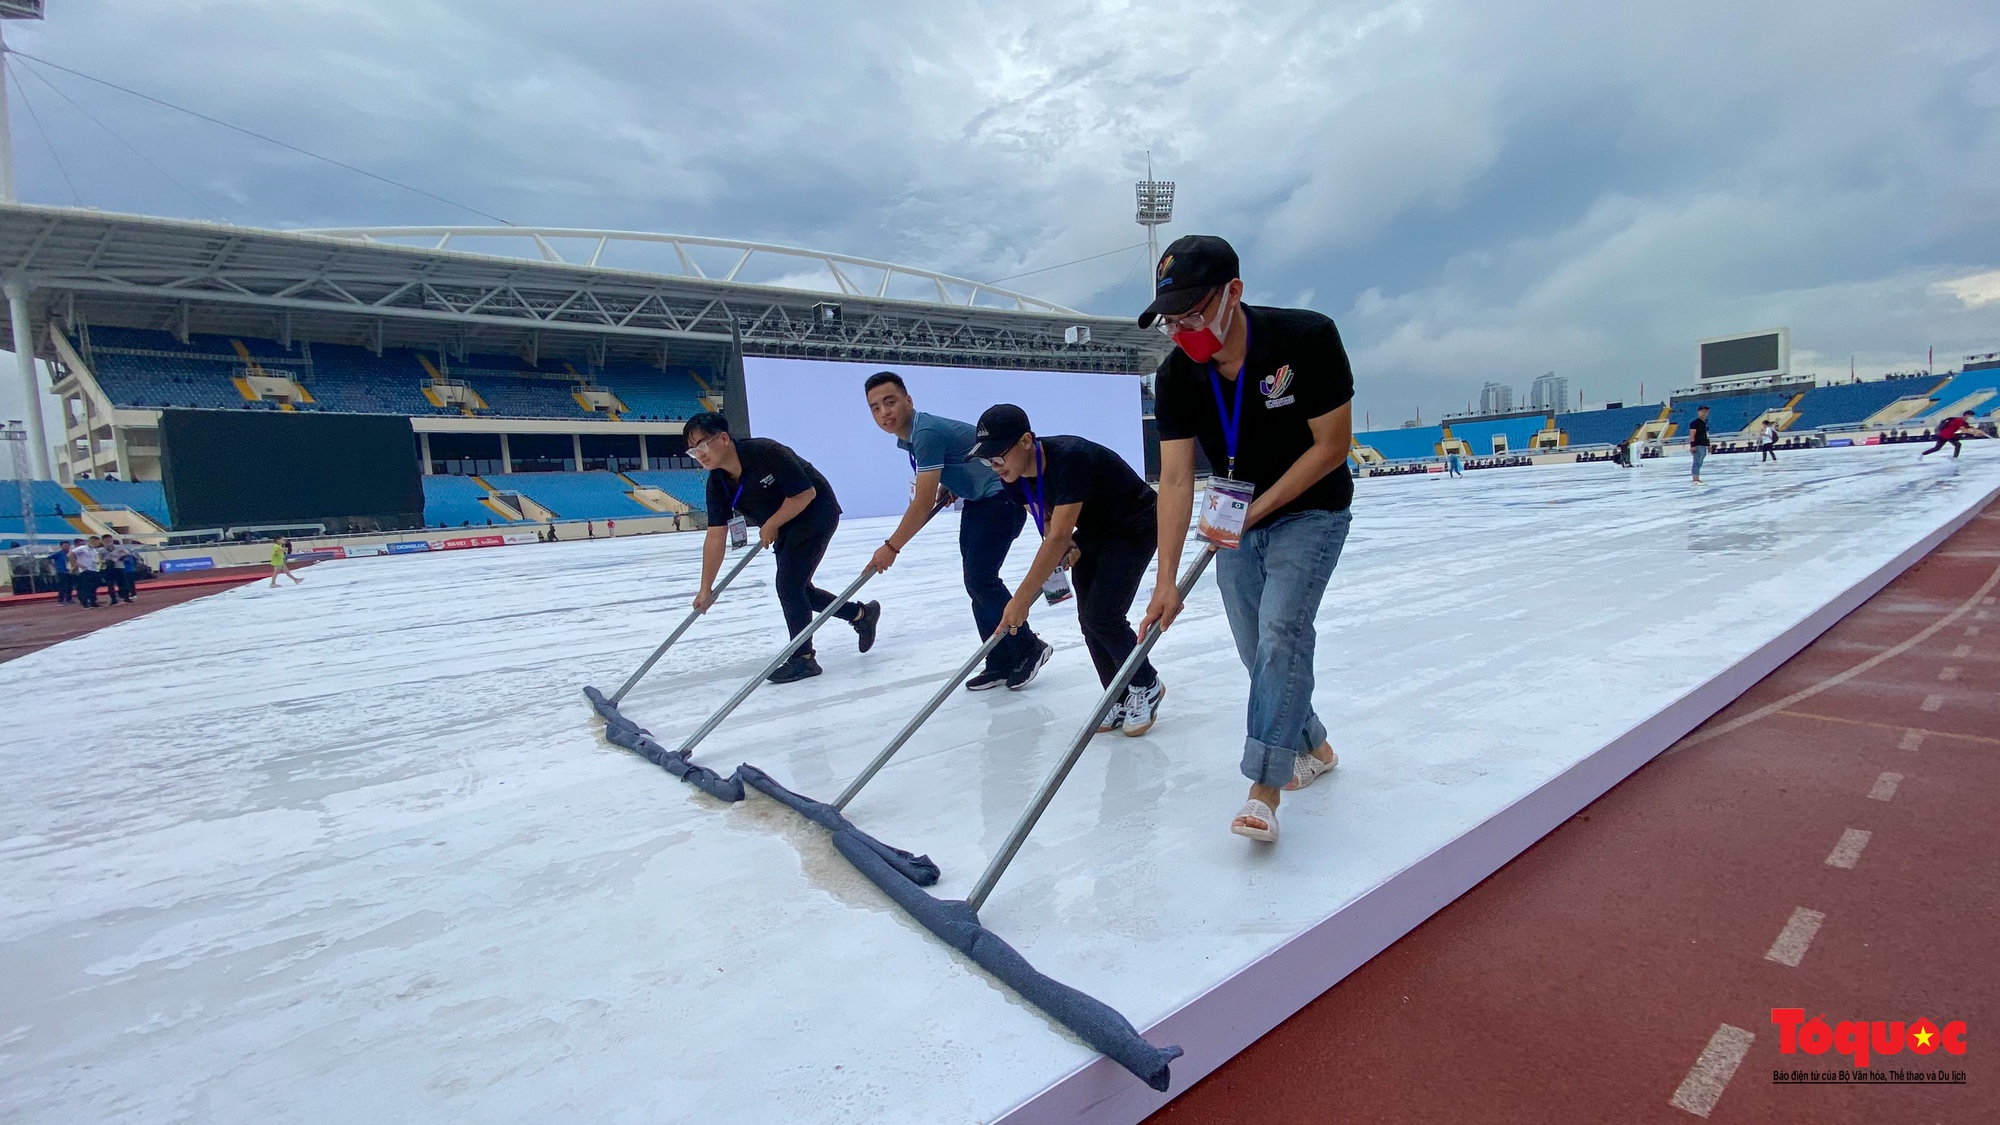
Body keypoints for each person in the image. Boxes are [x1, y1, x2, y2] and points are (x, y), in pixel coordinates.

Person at [1135, 234, 1355, 844]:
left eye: (1193, 314)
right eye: (1170, 321)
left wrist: (1259, 508)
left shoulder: (1305, 338)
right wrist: (1166, 582)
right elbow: (1176, 479)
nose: (1182, 331)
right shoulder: (1177, 374)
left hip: (1310, 511)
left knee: (1284, 632)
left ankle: (1264, 790)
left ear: (1233, 293)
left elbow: (1332, 447)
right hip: (1236, 521)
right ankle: (1315, 745)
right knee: (1257, 649)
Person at [971, 403, 1166, 733]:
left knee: (1103, 616)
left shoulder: (1070, 457)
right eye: (986, 460)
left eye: (998, 456)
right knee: (1087, 621)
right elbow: (1049, 520)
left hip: (1135, 523)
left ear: (1026, 441)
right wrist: (1063, 541)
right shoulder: (1012, 479)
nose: (994, 466)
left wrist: (1019, 600)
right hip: (1092, 529)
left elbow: (1060, 534)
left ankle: (1146, 683)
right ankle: (1116, 696)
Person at [864, 371, 1051, 691]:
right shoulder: (912, 437)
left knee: (982, 579)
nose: (884, 413)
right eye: (875, 407)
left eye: (890, 402)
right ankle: (1000, 659)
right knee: (976, 581)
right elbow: (959, 459)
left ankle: (1028, 648)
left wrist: (891, 547)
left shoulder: (925, 434)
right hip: (980, 500)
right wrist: (952, 484)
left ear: (908, 401)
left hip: (1001, 499)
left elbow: (920, 504)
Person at [686, 412, 878, 683]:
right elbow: (716, 536)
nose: (700, 454)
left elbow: (805, 493)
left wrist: (771, 523)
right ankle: (861, 614)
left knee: (789, 586)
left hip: (815, 512)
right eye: (694, 450)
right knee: (799, 590)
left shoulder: (765, 451)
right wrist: (706, 588)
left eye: (702, 445)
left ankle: (803, 658)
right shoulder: (717, 483)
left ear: (724, 438)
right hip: (784, 525)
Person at [70, 537, 100, 607]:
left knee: (93, 586)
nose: (98, 544)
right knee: (85, 587)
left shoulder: (94, 550)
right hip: (85, 570)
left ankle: (93, 601)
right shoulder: (82, 548)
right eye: (97, 542)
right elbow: (70, 554)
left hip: (93, 569)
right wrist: (77, 564)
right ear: (92, 541)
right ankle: (85, 602)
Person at [1688, 404, 1711, 483]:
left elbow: (1707, 435)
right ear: (1698, 412)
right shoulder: (1695, 423)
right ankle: (1695, 478)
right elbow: (1692, 434)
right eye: (1702, 411)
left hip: (1703, 444)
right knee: (1696, 462)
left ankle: (1697, 476)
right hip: (1698, 445)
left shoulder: (1705, 423)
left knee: (1700, 462)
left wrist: (1708, 445)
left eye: (1706, 411)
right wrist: (1692, 445)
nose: (1704, 413)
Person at [49, 540, 72, 604]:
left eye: (68, 545)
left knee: (69, 586)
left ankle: (69, 599)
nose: (67, 547)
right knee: (62, 586)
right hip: (61, 571)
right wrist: (54, 566)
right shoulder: (58, 553)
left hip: (69, 571)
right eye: (65, 545)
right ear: (61, 546)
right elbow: (48, 558)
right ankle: (60, 600)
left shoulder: (71, 553)